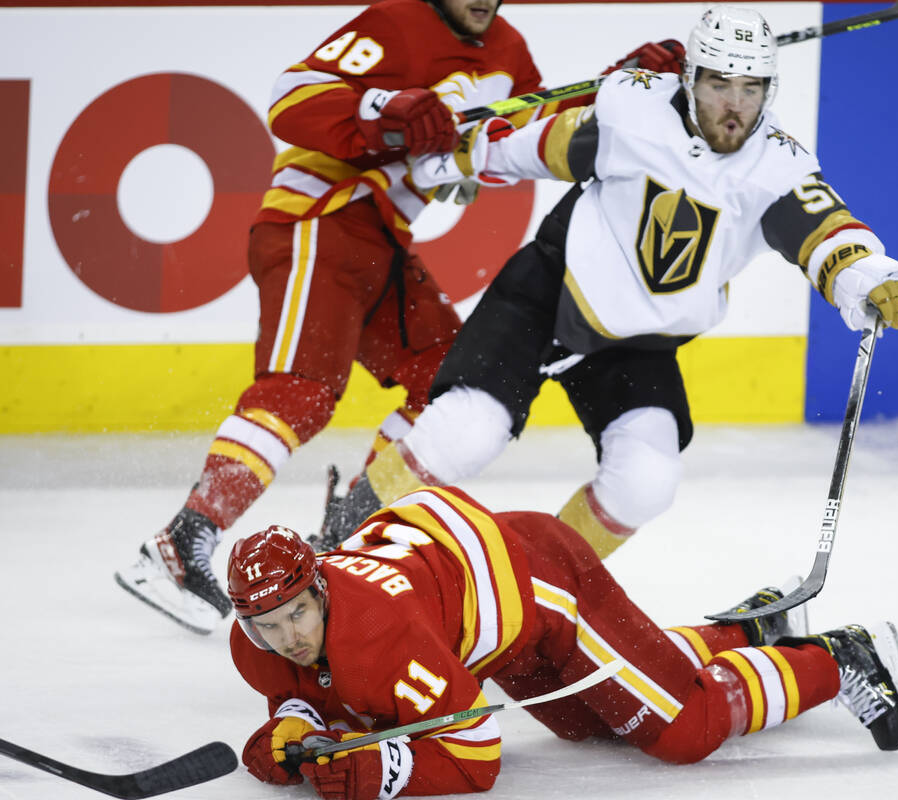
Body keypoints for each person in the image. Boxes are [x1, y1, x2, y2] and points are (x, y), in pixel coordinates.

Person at [114, 0, 688, 635]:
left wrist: (625, 87)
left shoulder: (509, 51)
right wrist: (380, 111)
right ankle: (182, 541)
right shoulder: (397, 23)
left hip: (384, 242)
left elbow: (526, 128)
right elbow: (292, 97)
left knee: (445, 380)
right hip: (319, 219)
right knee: (300, 391)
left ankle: (346, 527)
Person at [309, 5, 898, 562]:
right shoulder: (633, 111)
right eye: (719, 84)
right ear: (689, 78)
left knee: (646, 482)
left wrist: (866, 275)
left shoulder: (776, 166)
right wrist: (452, 157)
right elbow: (537, 145)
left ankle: (532, 595)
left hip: (637, 340)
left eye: (750, 88)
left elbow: (827, 228)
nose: (735, 105)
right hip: (548, 292)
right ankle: (341, 542)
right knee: (467, 432)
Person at [228, 487, 898, 800]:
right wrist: (290, 729)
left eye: (298, 613)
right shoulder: (267, 635)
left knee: (680, 730)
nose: (287, 638)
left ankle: (839, 658)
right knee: (586, 726)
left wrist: (384, 774)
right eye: (268, 625)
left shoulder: (383, 632)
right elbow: (311, 691)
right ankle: (749, 628)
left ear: (321, 589)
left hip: (544, 585)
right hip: (496, 609)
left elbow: (473, 753)